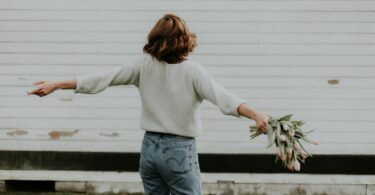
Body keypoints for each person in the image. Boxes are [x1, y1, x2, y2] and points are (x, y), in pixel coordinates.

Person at [27, 14, 270, 195]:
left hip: (150, 150)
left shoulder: (143, 65)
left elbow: (101, 79)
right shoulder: (194, 72)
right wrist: (256, 114)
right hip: (179, 152)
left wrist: (57, 84)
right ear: (184, 41)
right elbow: (225, 100)